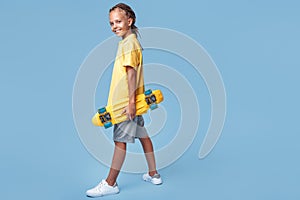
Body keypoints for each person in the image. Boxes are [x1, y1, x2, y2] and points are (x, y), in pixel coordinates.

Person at [86, 3, 162, 197]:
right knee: (143, 136)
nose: (114, 26)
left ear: (130, 20)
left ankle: (110, 183)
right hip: (135, 101)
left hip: (124, 105)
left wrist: (129, 104)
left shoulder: (128, 44)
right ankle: (153, 174)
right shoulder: (132, 41)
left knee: (120, 142)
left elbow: (131, 74)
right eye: (111, 23)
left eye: (118, 21)